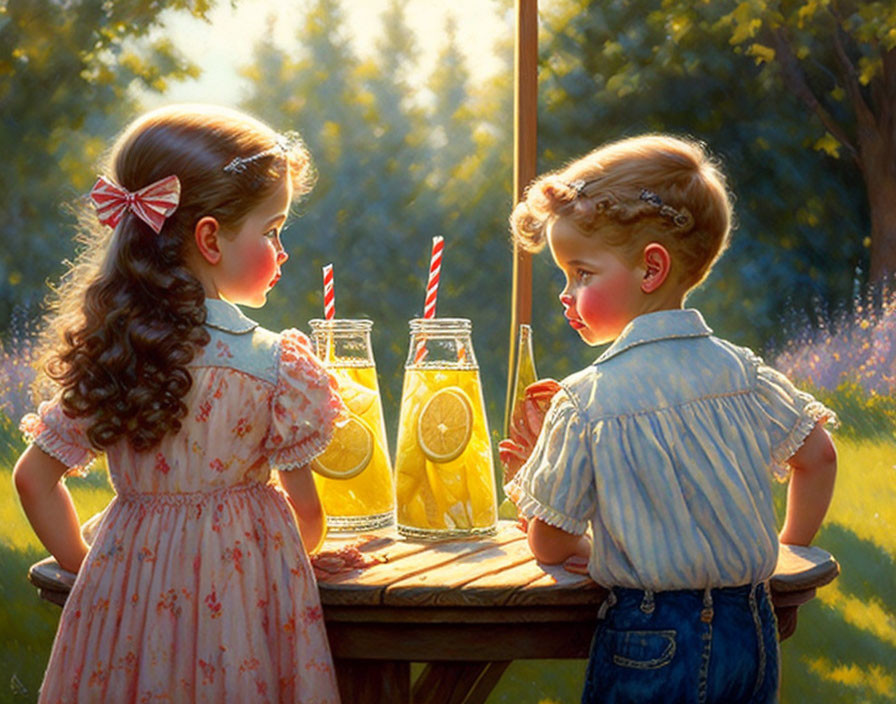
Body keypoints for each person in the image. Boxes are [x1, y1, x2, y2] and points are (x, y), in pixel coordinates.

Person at [13, 104, 344, 703]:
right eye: (272, 230)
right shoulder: (274, 366)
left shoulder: (117, 352)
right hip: (241, 607)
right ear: (210, 237)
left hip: (128, 603)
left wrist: (89, 567)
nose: (283, 249)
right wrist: (309, 546)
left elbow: (34, 479)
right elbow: (309, 520)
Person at [500, 134, 838, 704]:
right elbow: (819, 455)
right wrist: (785, 551)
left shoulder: (586, 402)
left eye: (581, 273)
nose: (566, 294)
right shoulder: (743, 373)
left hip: (649, 641)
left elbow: (549, 544)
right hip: (751, 632)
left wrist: (541, 482)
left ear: (651, 268)